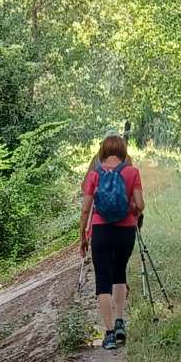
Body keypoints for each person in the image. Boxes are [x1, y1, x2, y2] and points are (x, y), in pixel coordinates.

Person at [79, 133, 143, 350]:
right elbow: (140, 205)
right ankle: (120, 321)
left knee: (103, 281)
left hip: (100, 231)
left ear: (102, 152)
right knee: (119, 273)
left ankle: (108, 335)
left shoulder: (94, 175)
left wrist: (82, 236)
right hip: (125, 232)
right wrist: (132, 209)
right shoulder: (132, 172)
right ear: (123, 152)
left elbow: (86, 209)